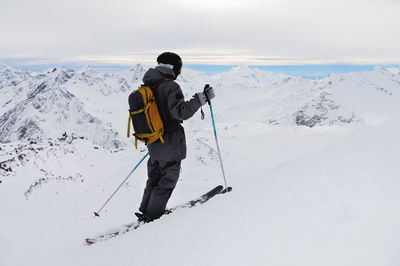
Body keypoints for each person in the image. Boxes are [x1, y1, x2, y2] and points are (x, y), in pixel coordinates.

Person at [135, 52, 215, 222]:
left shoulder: (148, 84)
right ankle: (153, 216)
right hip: (169, 143)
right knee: (166, 181)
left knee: (153, 178)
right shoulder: (170, 86)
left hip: (154, 141)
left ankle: (145, 211)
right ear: (174, 67)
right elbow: (181, 112)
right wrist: (202, 99)